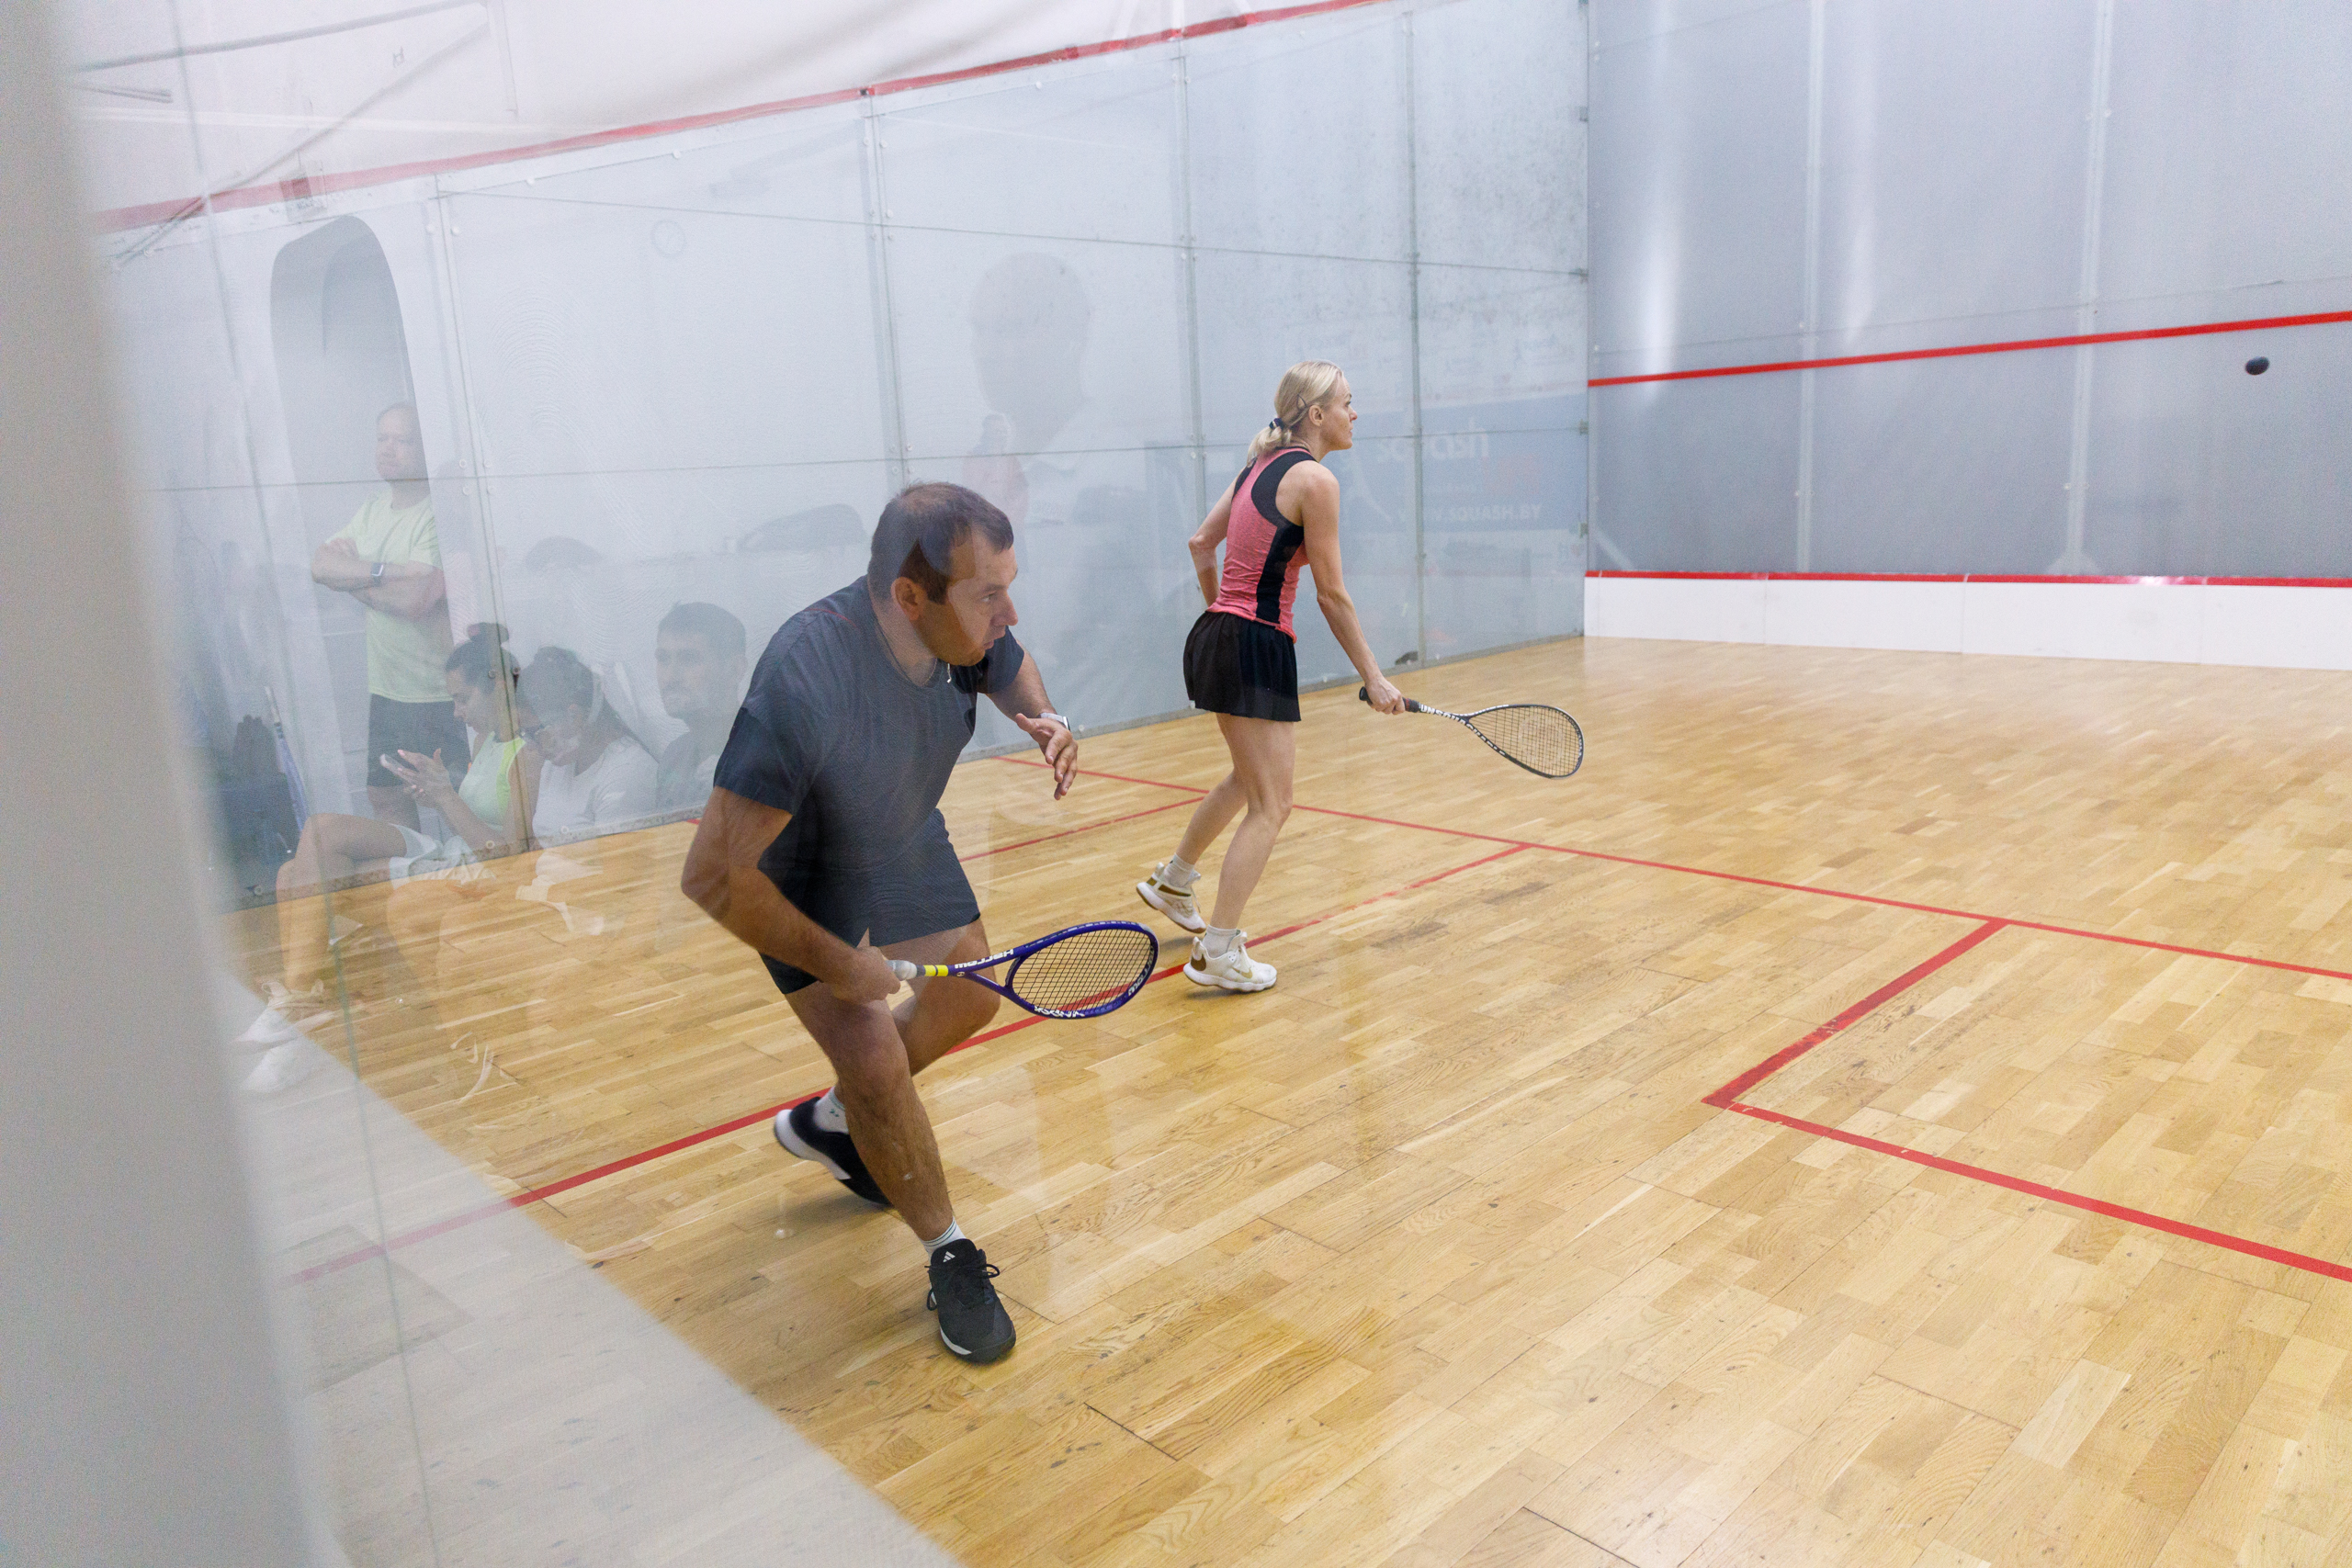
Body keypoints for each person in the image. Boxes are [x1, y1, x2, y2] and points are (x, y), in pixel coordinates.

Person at [680, 482, 1079, 1365]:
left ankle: (838, 1121)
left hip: (897, 831)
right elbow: (711, 874)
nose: (1008, 612)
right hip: (797, 874)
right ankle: (949, 1251)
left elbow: (1007, 660)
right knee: (872, 1054)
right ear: (909, 597)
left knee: (971, 992)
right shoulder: (806, 678)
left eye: (1008, 588)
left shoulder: (960, 626)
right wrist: (840, 964)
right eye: (989, 593)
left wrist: (1043, 717)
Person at [1134, 361, 1405, 991]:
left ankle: (1174, 881)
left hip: (1219, 638)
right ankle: (1218, 951)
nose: (1355, 413)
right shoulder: (1316, 480)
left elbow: (1201, 544)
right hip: (1254, 643)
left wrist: (1220, 613)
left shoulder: (1257, 465)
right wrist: (1375, 676)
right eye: (1347, 402)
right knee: (1273, 804)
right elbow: (1332, 595)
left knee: (1247, 779)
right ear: (1317, 414)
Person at [240, 624, 537, 1089]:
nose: (456, 713)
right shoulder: (486, 740)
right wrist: (435, 789)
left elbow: (510, 856)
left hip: (475, 871)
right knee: (318, 833)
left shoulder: (527, 755)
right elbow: (468, 814)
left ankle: (298, 1018)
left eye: (462, 700)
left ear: (498, 686)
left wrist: (446, 797)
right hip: (452, 852)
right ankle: (299, 1010)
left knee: (294, 877)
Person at [310, 402, 464, 830]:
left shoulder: (437, 513)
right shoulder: (373, 508)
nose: (388, 449)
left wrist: (352, 579)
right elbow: (320, 566)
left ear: (425, 449)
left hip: (438, 692)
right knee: (385, 795)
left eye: (402, 440)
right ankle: (418, 870)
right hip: (388, 690)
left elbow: (416, 601)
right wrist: (384, 574)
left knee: (458, 802)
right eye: (383, 438)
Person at [515, 648, 660, 843]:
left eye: (533, 733)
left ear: (574, 716)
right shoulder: (557, 764)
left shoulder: (627, 772)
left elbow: (617, 860)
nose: (530, 746)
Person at [652, 602, 749, 813]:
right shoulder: (674, 757)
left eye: (689, 659)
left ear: (734, 670)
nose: (670, 676)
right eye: (663, 658)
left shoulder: (763, 757)